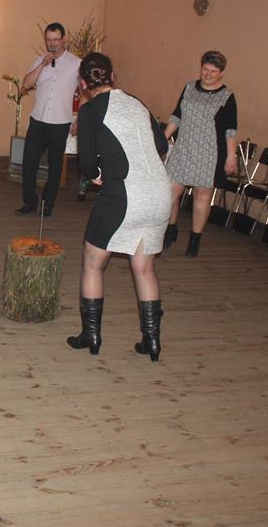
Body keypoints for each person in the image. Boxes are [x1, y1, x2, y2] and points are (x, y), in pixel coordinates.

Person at [67, 53, 171, 363]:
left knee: (93, 261)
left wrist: (96, 174)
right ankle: (152, 341)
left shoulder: (90, 111)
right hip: (159, 192)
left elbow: (87, 163)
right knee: (144, 267)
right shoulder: (137, 103)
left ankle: (91, 335)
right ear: (113, 77)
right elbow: (162, 146)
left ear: (83, 83)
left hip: (124, 193)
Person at [162, 51, 238, 258]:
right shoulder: (189, 88)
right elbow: (176, 116)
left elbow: (230, 130)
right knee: (170, 192)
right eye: (205, 69)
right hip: (184, 147)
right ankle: (171, 228)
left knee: (202, 196)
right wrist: (162, 139)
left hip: (209, 152)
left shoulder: (227, 96)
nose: (208, 74)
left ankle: (195, 239)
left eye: (213, 71)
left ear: (221, 73)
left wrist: (231, 156)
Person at [17, 22, 81, 218]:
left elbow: (86, 93)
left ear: (64, 40)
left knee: (55, 167)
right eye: (48, 40)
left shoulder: (76, 63)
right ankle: (29, 202)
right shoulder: (40, 60)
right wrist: (42, 65)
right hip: (38, 119)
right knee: (29, 163)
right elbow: (26, 83)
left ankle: (47, 204)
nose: (52, 44)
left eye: (56, 39)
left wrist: (80, 119)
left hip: (60, 122)